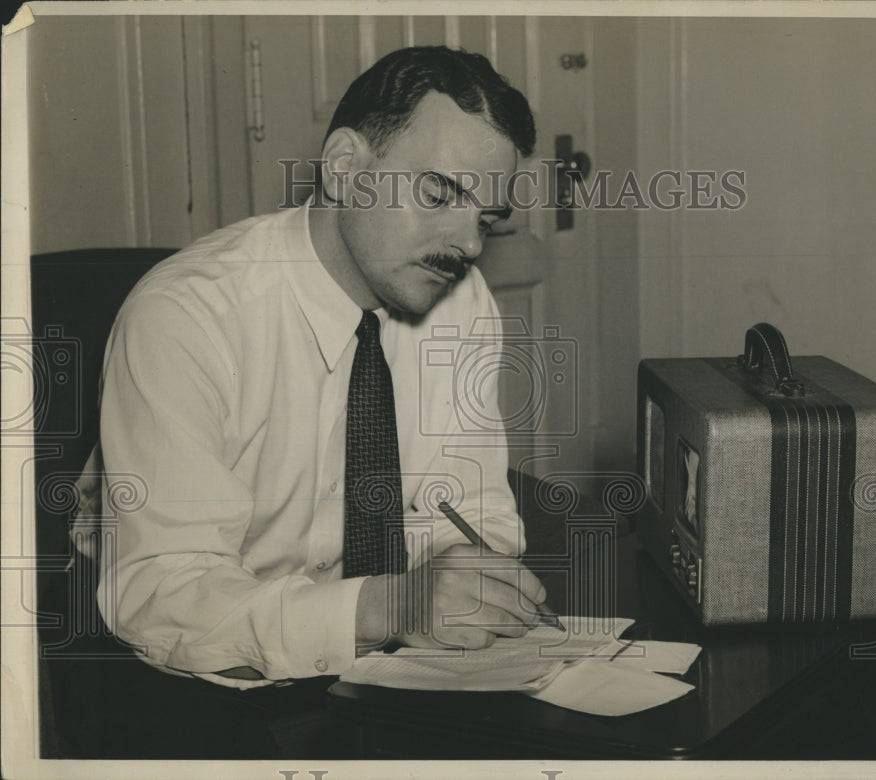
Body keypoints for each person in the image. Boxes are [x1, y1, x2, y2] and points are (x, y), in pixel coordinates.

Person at [91, 46, 546, 695]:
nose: (468, 244)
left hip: (391, 666)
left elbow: (471, 509)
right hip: (200, 674)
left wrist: (472, 574)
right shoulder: (186, 317)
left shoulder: (461, 300)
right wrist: (386, 606)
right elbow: (162, 597)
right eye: (440, 193)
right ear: (344, 167)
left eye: (486, 218)